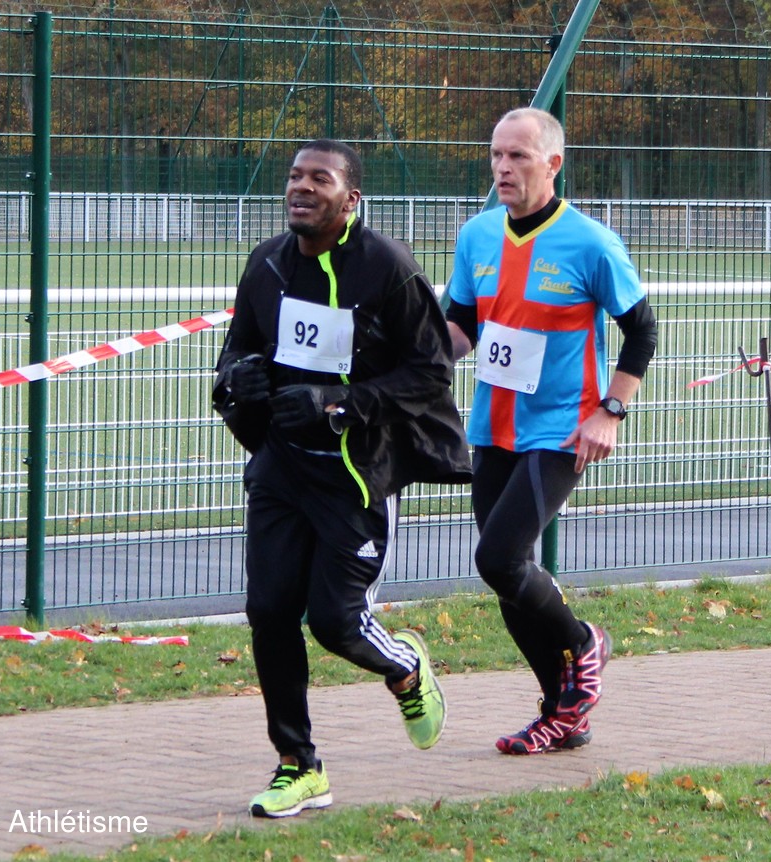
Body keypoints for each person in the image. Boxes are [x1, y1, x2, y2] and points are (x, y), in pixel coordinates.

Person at [212, 139, 471, 818]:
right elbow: (237, 349)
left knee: (335, 622)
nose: (300, 187)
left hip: (356, 476)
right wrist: (238, 378)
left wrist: (339, 404)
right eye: (295, 176)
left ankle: (404, 666)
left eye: (319, 179)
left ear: (351, 198)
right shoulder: (267, 263)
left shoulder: (388, 268)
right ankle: (298, 766)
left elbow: (430, 372)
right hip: (280, 469)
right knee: (269, 612)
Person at [444, 108, 658, 755]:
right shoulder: (478, 235)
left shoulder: (591, 244)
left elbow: (643, 331)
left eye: (518, 156)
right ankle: (562, 713)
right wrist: (414, 359)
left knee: (498, 558)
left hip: (564, 431)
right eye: (496, 155)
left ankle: (584, 641)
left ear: (553, 164)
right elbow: (461, 327)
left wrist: (610, 411)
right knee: (507, 576)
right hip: (493, 428)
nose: (503, 168)